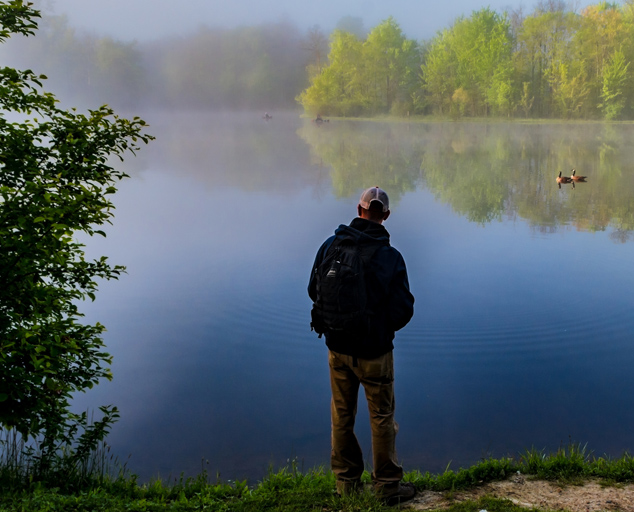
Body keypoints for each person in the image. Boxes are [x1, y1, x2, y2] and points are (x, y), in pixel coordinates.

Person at [308, 186, 415, 505]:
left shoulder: (330, 245)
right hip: (375, 353)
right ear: (386, 216)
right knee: (381, 417)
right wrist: (379, 327)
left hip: (337, 348)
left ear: (359, 210)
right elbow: (403, 309)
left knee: (341, 414)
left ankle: (346, 484)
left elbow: (314, 289)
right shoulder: (390, 257)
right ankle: (387, 488)